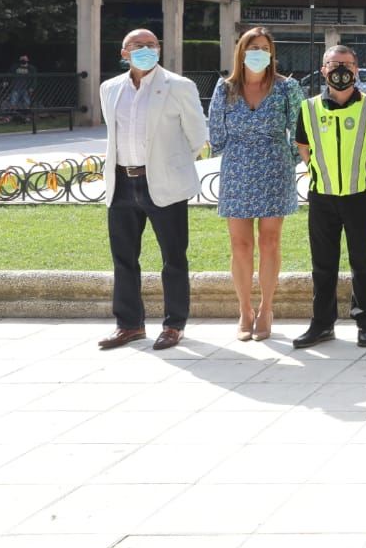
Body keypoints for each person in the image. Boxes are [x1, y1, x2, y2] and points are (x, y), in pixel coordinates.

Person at [96, 29, 209, 351]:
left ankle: (174, 325)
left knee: (173, 257)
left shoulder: (178, 86)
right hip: (121, 183)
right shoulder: (110, 88)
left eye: (152, 45)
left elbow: (197, 135)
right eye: (138, 46)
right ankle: (129, 325)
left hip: (162, 183)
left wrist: (170, 165)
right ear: (124, 53)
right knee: (124, 258)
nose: (146, 49)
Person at [292, 45, 366, 349]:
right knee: (323, 264)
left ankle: (365, 323)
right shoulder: (308, 107)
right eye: (334, 64)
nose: (341, 70)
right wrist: (319, 171)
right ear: (323, 70)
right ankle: (322, 324)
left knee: (362, 261)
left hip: (361, 194)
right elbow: (303, 146)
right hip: (322, 196)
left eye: (347, 65)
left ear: (356, 70)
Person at [207, 28, 302, 341]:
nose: (258, 52)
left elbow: (301, 132)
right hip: (237, 171)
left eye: (264, 47)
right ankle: (244, 308)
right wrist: (239, 152)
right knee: (240, 243)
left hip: (275, 169)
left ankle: (266, 308)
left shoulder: (287, 88)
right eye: (252, 47)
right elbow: (216, 136)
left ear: (272, 53)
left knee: (270, 241)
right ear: (241, 52)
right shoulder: (225, 89)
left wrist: (286, 159)